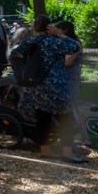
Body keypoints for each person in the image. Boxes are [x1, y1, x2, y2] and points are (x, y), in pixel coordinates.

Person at [14, 15, 81, 162]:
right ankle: (67, 153)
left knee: (43, 118)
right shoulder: (53, 42)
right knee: (66, 118)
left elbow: (15, 55)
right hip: (55, 86)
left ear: (35, 27)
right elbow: (75, 47)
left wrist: (22, 74)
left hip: (35, 85)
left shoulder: (29, 41)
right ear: (49, 27)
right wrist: (59, 34)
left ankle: (45, 150)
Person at [56, 20, 86, 153]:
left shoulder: (76, 44)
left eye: (59, 30)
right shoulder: (64, 43)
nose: (57, 33)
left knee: (72, 106)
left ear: (65, 30)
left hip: (71, 78)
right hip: (63, 77)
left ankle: (85, 138)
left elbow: (68, 62)